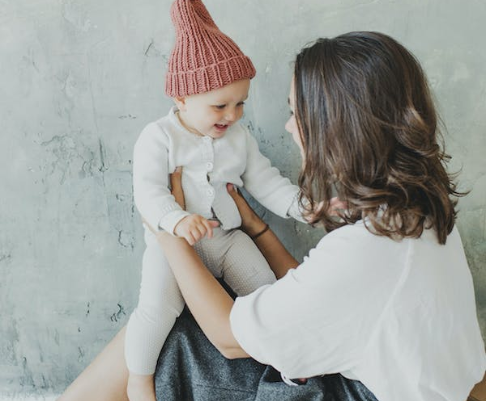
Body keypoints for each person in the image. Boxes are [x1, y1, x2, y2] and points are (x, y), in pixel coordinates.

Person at [58, 31, 485, 401]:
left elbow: (228, 339)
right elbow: (317, 293)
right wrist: (258, 229)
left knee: (180, 340)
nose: (288, 127)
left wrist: (166, 229)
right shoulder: (412, 214)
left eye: (297, 113)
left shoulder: (369, 250)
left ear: (335, 127)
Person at [125, 1, 306, 400]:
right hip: (171, 247)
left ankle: (287, 367)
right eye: (219, 106)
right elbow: (147, 192)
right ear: (182, 101)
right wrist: (174, 220)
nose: (232, 115)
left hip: (226, 238)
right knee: (157, 311)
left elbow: (263, 180)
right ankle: (138, 378)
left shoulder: (238, 138)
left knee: (265, 290)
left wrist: (298, 205)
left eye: (240, 103)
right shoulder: (158, 138)